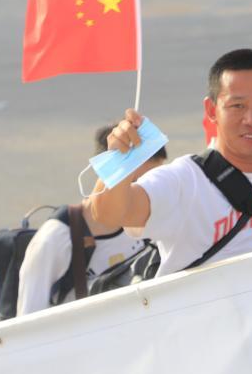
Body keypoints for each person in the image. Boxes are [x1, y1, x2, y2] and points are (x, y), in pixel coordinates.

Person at [91, 48, 252, 277]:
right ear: (211, 110)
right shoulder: (183, 181)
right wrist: (119, 162)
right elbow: (108, 214)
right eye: (237, 106)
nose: (251, 119)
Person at [16, 126, 168, 316]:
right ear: (107, 176)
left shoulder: (152, 219)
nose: (149, 193)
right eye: (141, 182)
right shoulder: (54, 240)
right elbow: (28, 320)